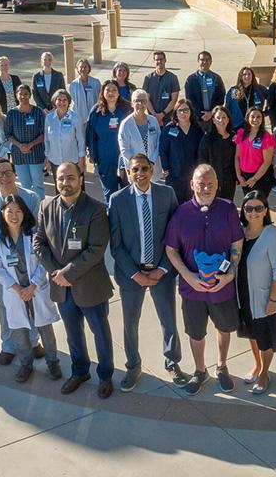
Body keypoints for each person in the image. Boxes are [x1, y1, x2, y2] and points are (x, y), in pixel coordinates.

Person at [33, 162, 116, 398]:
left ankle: (105, 375)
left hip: (90, 286)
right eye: (60, 178)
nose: (64, 183)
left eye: (70, 178)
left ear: (80, 178)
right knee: (73, 332)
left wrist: (67, 273)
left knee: (100, 332)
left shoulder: (96, 209)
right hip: (62, 288)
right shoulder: (46, 206)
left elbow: (96, 249)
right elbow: (38, 241)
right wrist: (57, 274)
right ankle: (80, 371)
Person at [108, 154, 190, 391]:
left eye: (145, 168)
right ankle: (133, 365)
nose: (140, 173)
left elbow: (175, 236)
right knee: (130, 323)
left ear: (152, 169)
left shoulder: (167, 194)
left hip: (161, 273)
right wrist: (136, 274)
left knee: (168, 320)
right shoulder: (118, 200)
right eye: (135, 169)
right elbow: (116, 245)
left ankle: (172, 362)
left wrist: (163, 268)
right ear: (129, 172)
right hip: (131, 274)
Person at [163, 165, 245, 396]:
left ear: (218, 185)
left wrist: (231, 273)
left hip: (222, 287)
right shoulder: (181, 213)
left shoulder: (228, 209)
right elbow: (171, 249)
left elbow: (236, 244)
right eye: (201, 183)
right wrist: (188, 276)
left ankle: (221, 366)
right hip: (193, 290)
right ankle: (200, 371)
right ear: (192, 185)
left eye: (211, 183)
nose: (206, 188)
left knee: (223, 327)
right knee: (196, 332)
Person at [0, 195, 62, 382]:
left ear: (25, 213)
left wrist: (33, 286)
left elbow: (43, 263)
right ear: (2, 213)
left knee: (45, 330)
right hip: (15, 294)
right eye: (9, 211)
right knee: (20, 333)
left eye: (18, 211)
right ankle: (25, 365)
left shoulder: (34, 234)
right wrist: (17, 289)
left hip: (36, 290)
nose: (14, 215)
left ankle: (53, 362)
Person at [0, 159, 42, 366]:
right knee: (6, 303)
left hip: (29, 260)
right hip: (3, 263)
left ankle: (33, 341)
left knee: (30, 301)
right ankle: (8, 345)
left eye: (8, 172)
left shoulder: (31, 197)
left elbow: (36, 231)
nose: (4, 177)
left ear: (15, 174)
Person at [235, 191, 276, 394]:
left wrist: (273, 299)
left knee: (265, 338)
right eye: (249, 208)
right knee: (252, 333)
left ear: (266, 210)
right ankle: (257, 365)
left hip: (265, 296)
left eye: (258, 208)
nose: (253, 212)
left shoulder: (272, 234)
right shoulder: (240, 232)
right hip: (243, 295)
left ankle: (265, 373)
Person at [85, 79, 132, 199]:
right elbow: (90, 134)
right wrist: (91, 153)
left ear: (119, 93)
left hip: (125, 159)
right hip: (104, 159)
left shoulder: (127, 109)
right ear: (103, 93)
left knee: (128, 192)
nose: (111, 93)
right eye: (108, 90)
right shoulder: (96, 111)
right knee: (110, 194)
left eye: (114, 90)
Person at [5, 84, 46, 200]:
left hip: (36, 153)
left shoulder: (38, 112)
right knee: (25, 186)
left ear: (30, 95)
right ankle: (28, 210)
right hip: (19, 155)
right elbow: (8, 134)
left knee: (38, 185)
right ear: (16, 96)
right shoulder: (12, 113)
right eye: (20, 94)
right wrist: (19, 145)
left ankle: (40, 211)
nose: (23, 96)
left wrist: (30, 145)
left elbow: (44, 133)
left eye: (26, 94)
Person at [159, 99, 204, 204]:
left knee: (192, 204)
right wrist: (165, 168)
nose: (183, 113)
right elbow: (163, 150)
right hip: (175, 175)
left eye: (186, 110)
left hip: (193, 175)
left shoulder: (197, 130)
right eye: (180, 110)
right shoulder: (169, 129)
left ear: (191, 111)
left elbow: (202, 151)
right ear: (175, 113)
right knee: (175, 205)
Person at [119, 89, 163, 181]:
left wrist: (151, 162)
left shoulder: (153, 121)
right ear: (132, 104)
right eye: (137, 101)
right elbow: (125, 150)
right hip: (135, 169)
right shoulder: (125, 124)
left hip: (152, 167)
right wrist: (139, 165)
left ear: (147, 103)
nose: (140, 104)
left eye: (143, 101)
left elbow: (159, 143)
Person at [234, 107, 276, 200]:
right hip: (244, 178)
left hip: (261, 177)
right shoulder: (241, 135)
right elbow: (237, 157)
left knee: (259, 205)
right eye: (252, 116)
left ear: (262, 119)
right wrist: (239, 176)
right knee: (248, 205)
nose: (255, 119)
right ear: (247, 118)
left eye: (258, 117)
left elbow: (267, 162)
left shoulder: (266, 137)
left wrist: (254, 178)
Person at [197, 105, 237, 201]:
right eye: (218, 118)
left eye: (224, 117)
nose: (221, 120)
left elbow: (238, 158)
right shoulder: (207, 139)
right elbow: (202, 160)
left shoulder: (234, 137)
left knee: (227, 205)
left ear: (228, 119)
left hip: (229, 180)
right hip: (212, 180)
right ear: (213, 120)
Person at [44, 89, 86, 179]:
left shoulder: (75, 117)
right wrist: (47, 157)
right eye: (59, 100)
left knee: (76, 189)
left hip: (72, 162)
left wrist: (81, 160)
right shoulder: (49, 118)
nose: (62, 102)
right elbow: (46, 140)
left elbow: (81, 140)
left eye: (64, 100)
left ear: (69, 102)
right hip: (55, 161)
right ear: (55, 101)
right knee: (59, 189)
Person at [183, 51, 226, 132]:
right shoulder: (191, 79)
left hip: (214, 118)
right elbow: (189, 99)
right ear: (198, 61)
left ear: (211, 61)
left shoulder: (216, 78)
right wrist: (201, 114)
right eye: (202, 60)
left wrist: (211, 113)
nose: (205, 62)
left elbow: (221, 96)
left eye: (207, 60)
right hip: (197, 119)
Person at [142, 51, 180, 127]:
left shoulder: (173, 78)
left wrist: (162, 114)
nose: (159, 61)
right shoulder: (148, 78)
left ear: (165, 60)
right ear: (153, 61)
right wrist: (155, 115)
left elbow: (174, 100)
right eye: (157, 60)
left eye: (161, 59)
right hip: (152, 118)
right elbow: (146, 99)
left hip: (168, 117)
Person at [225, 67, 268, 132]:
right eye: (244, 75)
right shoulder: (233, 91)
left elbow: (272, 100)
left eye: (249, 74)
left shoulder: (260, 89)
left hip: (255, 124)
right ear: (240, 76)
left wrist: (264, 113)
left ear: (253, 76)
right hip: (237, 126)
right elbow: (228, 108)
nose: (247, 76)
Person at [68, 58, 101, 133]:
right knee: (81, 139)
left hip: (93, 116)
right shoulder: (73, 85)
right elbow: (73, 100)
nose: (83, 69)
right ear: (77, 69)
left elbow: (99, 98)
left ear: (89, 68)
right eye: (81, 67)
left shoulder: (96, 82)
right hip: (79, 116)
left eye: (85, 67)